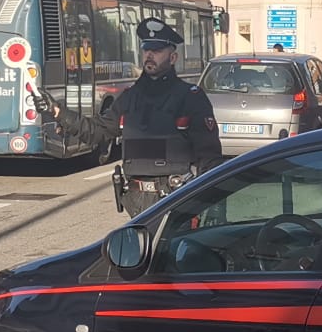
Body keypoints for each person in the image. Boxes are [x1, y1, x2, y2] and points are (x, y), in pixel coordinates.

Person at [32, 16, 223, 216]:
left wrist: (214, 209)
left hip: (177, 198)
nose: (150, 55)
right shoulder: (130, 97)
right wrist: (57, 111)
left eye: (157, 50)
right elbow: (98, 132)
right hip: (137, 202)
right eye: (146, 50)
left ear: (173, 57)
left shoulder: (190, 97)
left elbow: (209, 158)